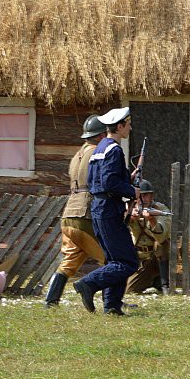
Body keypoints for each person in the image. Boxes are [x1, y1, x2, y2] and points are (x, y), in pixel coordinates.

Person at [73, 107, 140, 316]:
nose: (130, 127)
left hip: (100, 208)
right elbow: (109, 181)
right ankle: (88, 283)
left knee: (115, 260)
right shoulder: (115, 150)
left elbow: (98, 181)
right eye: (127, 124)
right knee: (128, 262)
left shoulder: (100, 148)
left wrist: (126, 180)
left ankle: (112, 306)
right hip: (110, 209)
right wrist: (132, 190)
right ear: (119, 126)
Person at [43, 114, 108, 307]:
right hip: (85, 213)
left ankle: (51, 300)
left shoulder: (77, 155)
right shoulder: (97, 153)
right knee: (112, 258)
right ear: (100, 136)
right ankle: (111, 301)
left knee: (70, 260)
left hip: (69, 213)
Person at [126, 179, 172, 295]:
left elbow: (161, 237)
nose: (143, 199)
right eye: (140, 196)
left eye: (146, 195)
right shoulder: (128, 208)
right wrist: (129, 217)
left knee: (162, 244)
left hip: (156, 256)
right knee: (130, 290)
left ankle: (164, 283)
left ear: (151, 196)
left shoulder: (161, 209)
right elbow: (115, 227)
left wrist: (151, 220)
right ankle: (153, 280)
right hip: (139, 258)